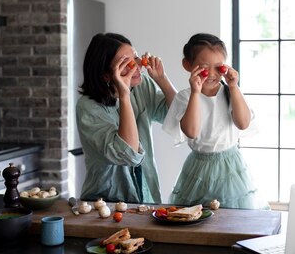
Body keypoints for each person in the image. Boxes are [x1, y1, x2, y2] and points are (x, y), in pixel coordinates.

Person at [162, 33, 269, 209]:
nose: (211, 74)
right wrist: (195, 92)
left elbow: (243, 123)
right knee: (197, 216)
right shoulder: (185, 97)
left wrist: (234, 87)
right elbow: (192, 131)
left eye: (218, 67)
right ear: (188, 65)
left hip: (230, 167)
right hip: (199, 167)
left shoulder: (230, 93)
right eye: (204, 67)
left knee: (233, 217)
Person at [76, 33, 176, 203]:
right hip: (106, 202)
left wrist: (162, 80)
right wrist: (124, 95)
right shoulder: (88, 107)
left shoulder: (142, 85)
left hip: (146, 197)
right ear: (106, 75)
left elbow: (177, 117)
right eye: (126, 64)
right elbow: (128, 154)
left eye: (136, 58)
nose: (137, 66)